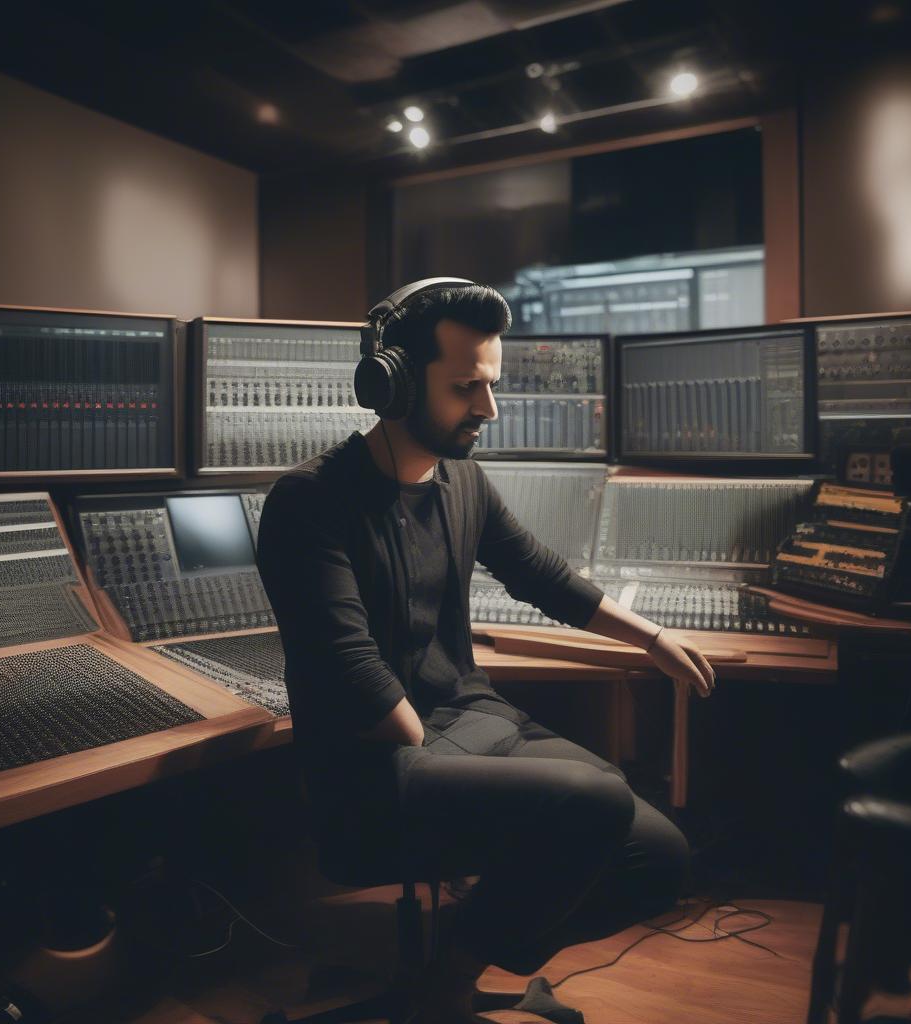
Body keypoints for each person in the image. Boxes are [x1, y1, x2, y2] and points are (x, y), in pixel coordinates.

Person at [256, 280, 716, 1024]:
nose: (488, 409)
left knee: (659, 855)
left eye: (491, 384)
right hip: (377, 761)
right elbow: (351, 669)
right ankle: (444, 987)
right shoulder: (309, 502)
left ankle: (460, 956)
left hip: (473, 721)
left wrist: (654, 639)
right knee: (590, 801)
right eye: (466, 387)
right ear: (393, 382)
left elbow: (540, 573)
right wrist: (465, 774)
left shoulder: (462, 478)